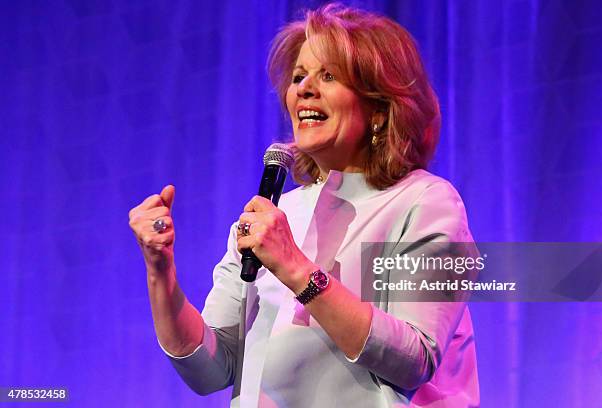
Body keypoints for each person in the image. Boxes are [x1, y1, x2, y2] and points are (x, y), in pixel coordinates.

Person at [129, 4, 478, 407]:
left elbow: (415, 358)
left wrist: (294, 268)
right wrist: (161, 272)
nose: (304, 89)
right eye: (298, 77)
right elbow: (212, 370)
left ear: (379, 109)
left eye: (328, 75)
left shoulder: (425, 201)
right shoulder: (273, 216)